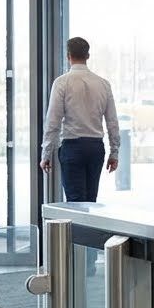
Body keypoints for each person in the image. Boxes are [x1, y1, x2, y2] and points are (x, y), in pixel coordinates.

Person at [39, 37, 120, 202]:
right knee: (91, 201)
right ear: (88, 56)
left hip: (72, 147)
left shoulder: (62, 83)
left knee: (75, 202)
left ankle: (78, 229)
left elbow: (53, 122)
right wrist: (114, 152)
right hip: (96, 147)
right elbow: (112, 122)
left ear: (68, 56)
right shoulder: (103, 84)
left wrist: (46, 153)